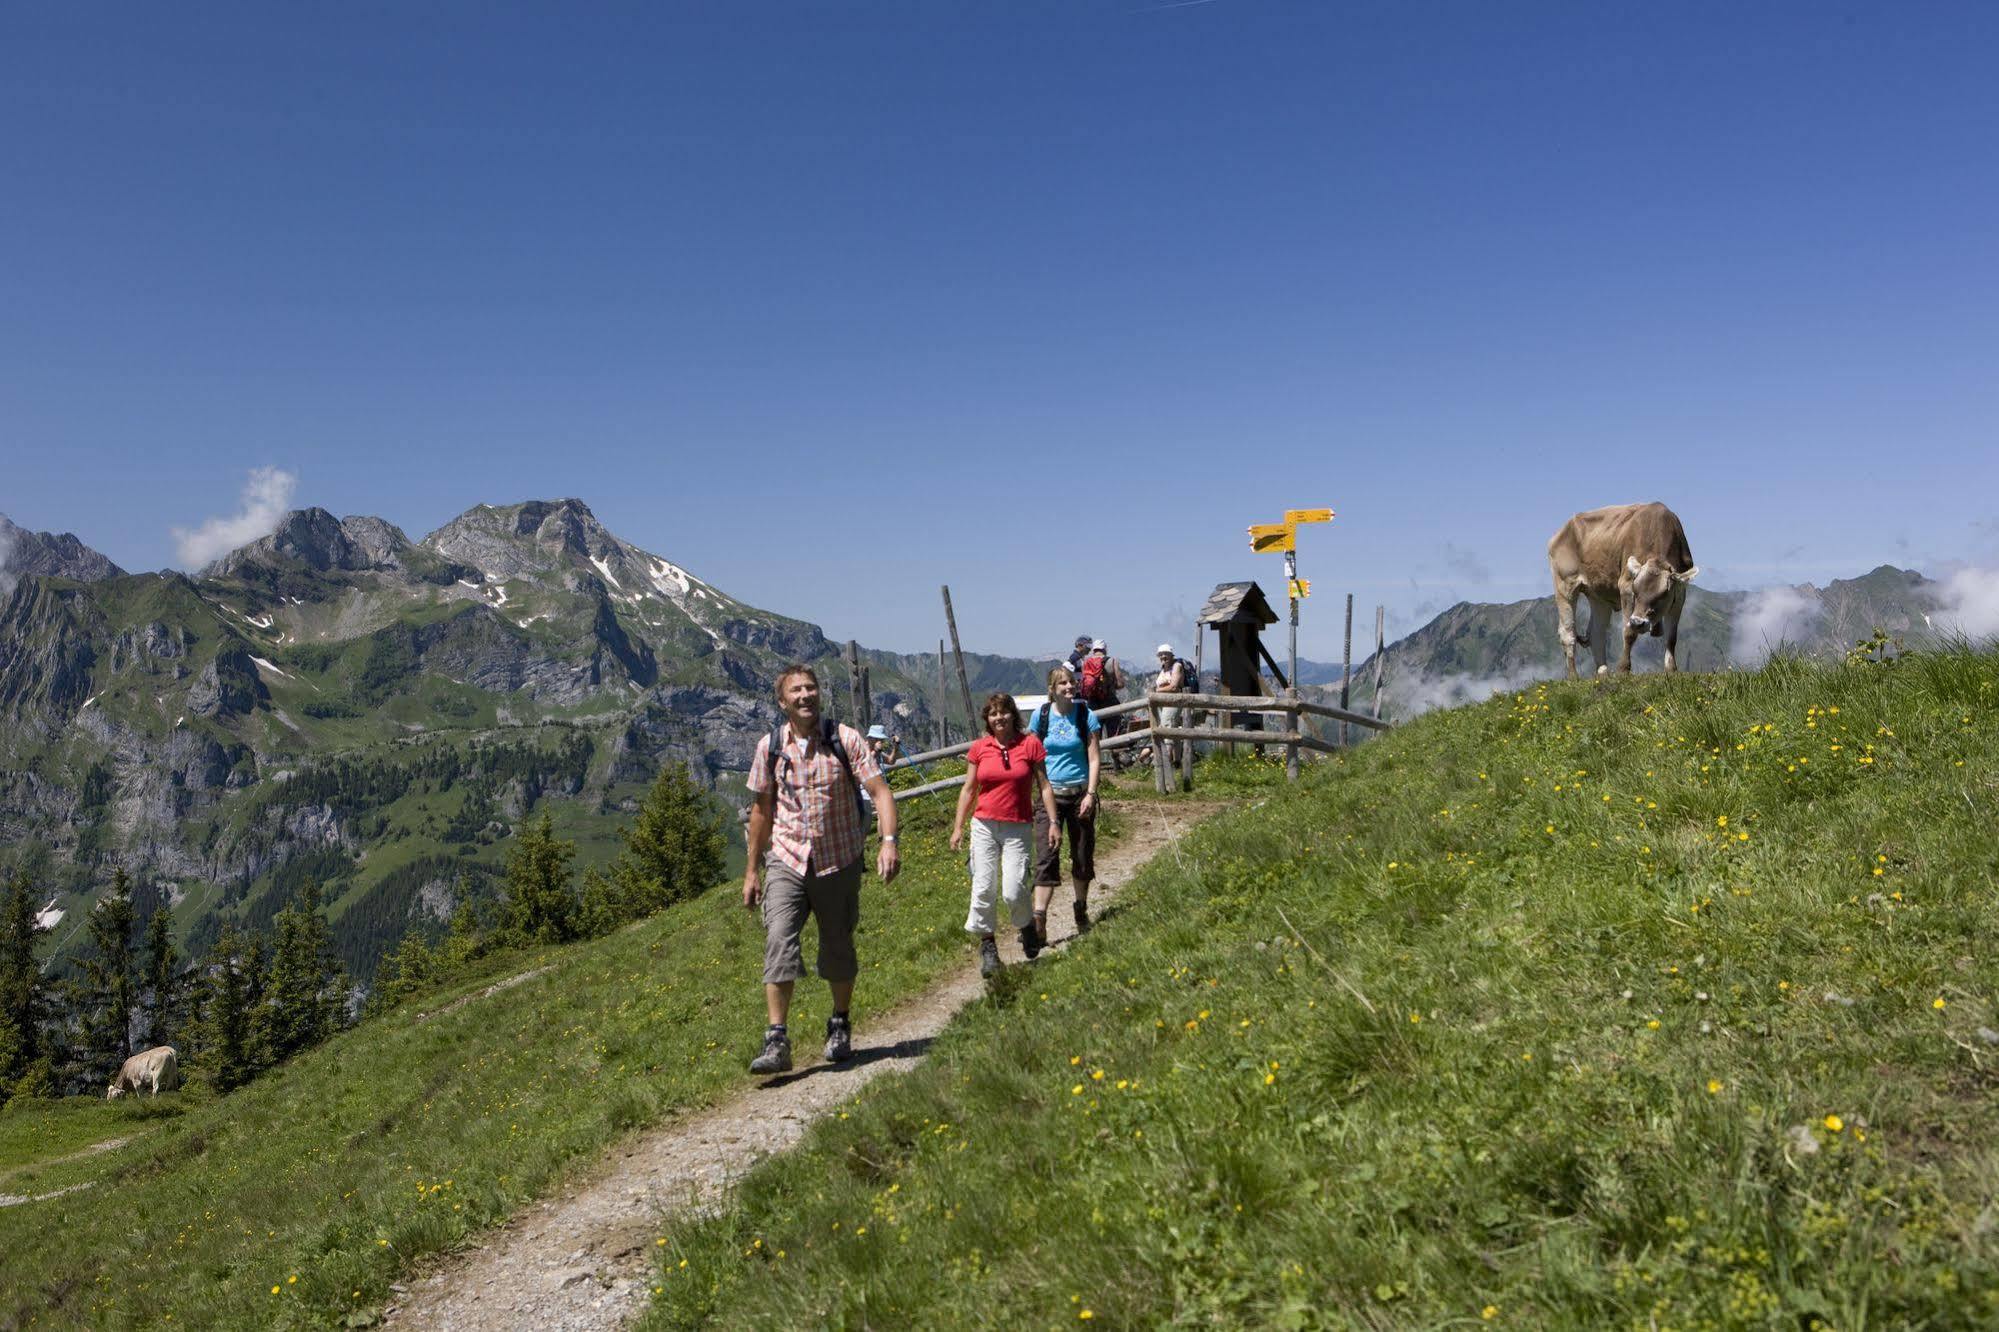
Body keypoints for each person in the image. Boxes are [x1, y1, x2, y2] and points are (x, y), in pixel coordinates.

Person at [742, 664, 900, 1075]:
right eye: (796, 690)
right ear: (782, 702)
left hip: (839, 858)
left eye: (810, 688)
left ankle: (839, 1022)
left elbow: (881, 792)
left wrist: (888, 843)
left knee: (837, 945)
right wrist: (752, 871)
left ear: (819, 694)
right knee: (779, 938)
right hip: (786, 857)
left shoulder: (844, 740)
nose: (805, 695)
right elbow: (760, 810)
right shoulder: (770, 746)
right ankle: (777, 1038)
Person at [949, 692, 1057, 977]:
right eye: (993, 713)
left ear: (1013, 715)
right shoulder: (980, 748)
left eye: (1004, 712)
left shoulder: (1030, 745)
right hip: (983, 824)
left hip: (1018, 825)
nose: (999, 718)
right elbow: (969, 789)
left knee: (1013, 889)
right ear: (987, 718)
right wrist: (958, 827)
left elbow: (1044, 785)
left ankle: (1026, 927)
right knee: (983, 887)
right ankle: (988, 947)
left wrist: (1054, 822)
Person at [1029, 665, 1102, 938]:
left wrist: (1091, 794)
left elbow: (1095, 757)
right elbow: (1033, 756)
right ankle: (1039, 920)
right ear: (1052, 689)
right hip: (1049, 797)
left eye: (1071, 682)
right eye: (1063, 684)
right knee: (1047, 857)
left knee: (1082, 855)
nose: (1069, 687)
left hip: (1080, 795)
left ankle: (1080, 908)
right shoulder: (1041, 716)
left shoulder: (1086, 715)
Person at [1077, 639, 1127, 766]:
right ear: (1105, 649)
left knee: (1093, 735)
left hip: (1093, 703)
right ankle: (1117, 765)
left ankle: (1092, 766)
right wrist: (1109, 686)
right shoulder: (1112, 661)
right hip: (1110, 701)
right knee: (1114, 733)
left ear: (1094, 649)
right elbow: (1120, 683)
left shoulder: (1086, 662)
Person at [1153, 643, 1189, 771]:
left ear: (1171, 654)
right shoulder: (1163, 668)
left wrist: (1156, 691)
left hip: (1173, 702)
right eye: (1161, 654)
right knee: (1172, 730)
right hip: (1163, 703)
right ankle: (1177, 761)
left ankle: (1165, 762)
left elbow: (1174, 687)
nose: (1163, 656)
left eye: (1165, 654)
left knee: (1167, 728)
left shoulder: (1176, 666)